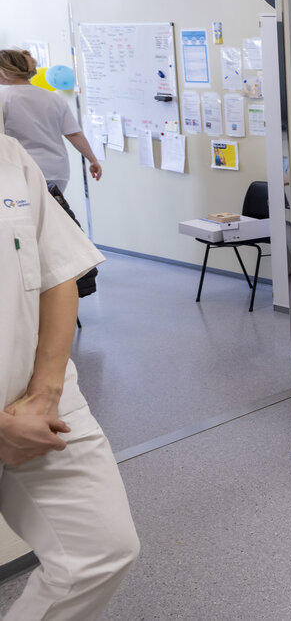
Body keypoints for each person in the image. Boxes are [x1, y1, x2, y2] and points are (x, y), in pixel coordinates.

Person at [0, 134, 140, 618]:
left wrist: (46, 390)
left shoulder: (9, 156)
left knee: (101, 551)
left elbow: (59, 273)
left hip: (43, 398)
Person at [0, 49, 103, 296]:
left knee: (26, 234)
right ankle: (58, 282)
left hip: (20, 174)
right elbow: (74, 133)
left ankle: (35, 288)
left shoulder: (4, 98)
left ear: (4, 71)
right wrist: (92, 159)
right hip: (56, 172)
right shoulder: (53, 98)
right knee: (49, 228)